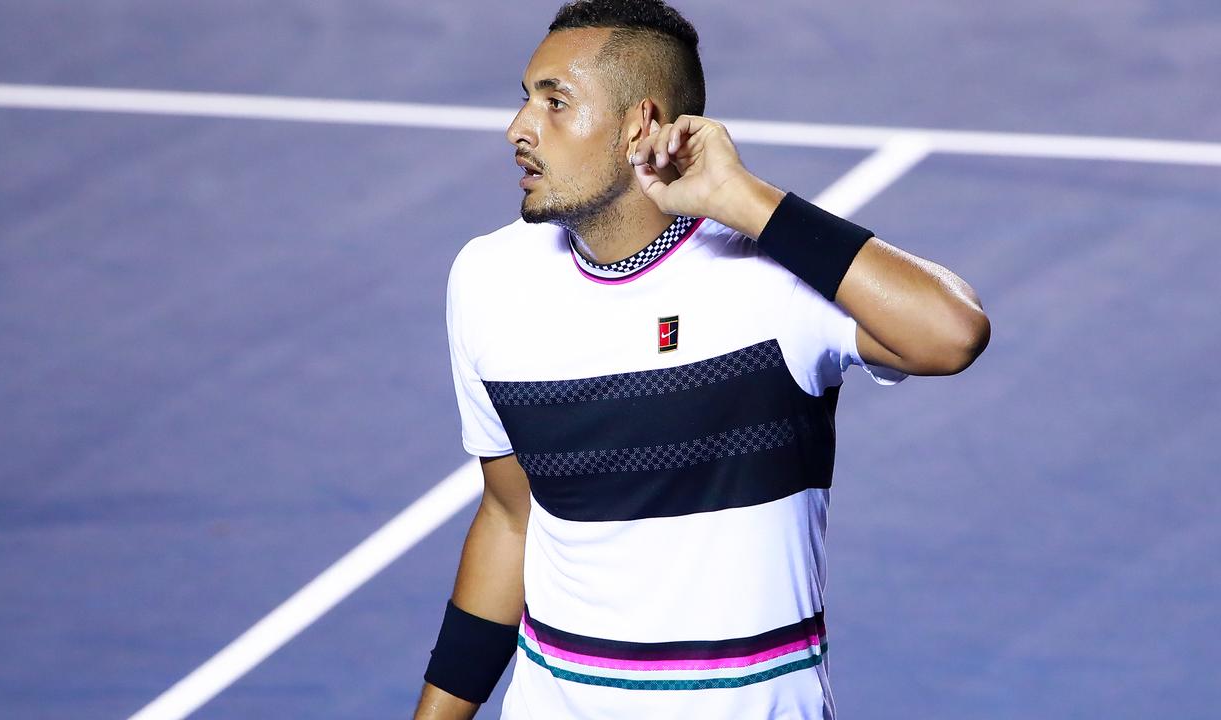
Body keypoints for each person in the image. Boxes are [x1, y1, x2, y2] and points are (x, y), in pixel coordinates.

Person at [414, 1, 990, 718]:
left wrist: (740, 198)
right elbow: (510, 516)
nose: (519, 129)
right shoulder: (488, 280)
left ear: (639, 125)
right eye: (525, 100)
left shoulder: (774, 283)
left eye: (554, 102)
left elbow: (951, 332)